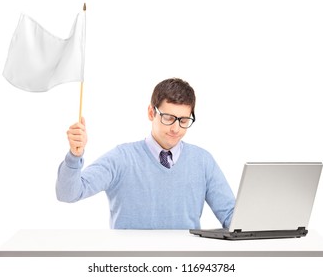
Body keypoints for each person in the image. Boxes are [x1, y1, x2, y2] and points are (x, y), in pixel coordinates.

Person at [56, 78, 235, 229]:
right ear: (151, 112)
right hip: (131, 265)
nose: (175, 128)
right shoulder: (122, 159)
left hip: (184, 265)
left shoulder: (202, 161)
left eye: (184, 120)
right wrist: (74, 156)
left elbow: (231, 216)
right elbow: (68, 194)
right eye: (168, 118)